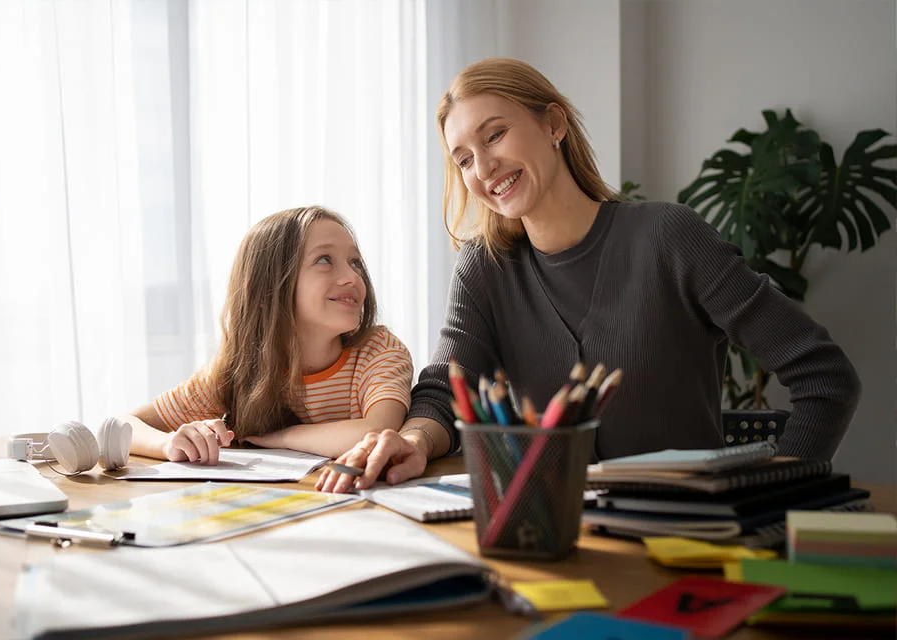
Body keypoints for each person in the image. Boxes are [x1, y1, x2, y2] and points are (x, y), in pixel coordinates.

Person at [316, 57, 861, 494]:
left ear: (553, 124)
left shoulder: (669, 237)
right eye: (462, 159)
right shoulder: (484, 266)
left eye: (495, 135)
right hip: (551, 539)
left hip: (688, 537)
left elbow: (825, 375)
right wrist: (414, 439)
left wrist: (778, 496)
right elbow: (445, 390)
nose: (482, 168)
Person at [125, 205, 414, 464]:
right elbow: (123, 426)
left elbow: (378, 432)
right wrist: (169, 443)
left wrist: (281, 438)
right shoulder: (235, 370)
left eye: (355, 262)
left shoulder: (379, 351)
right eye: (324, 260)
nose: (352, 277)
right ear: (264, 290)